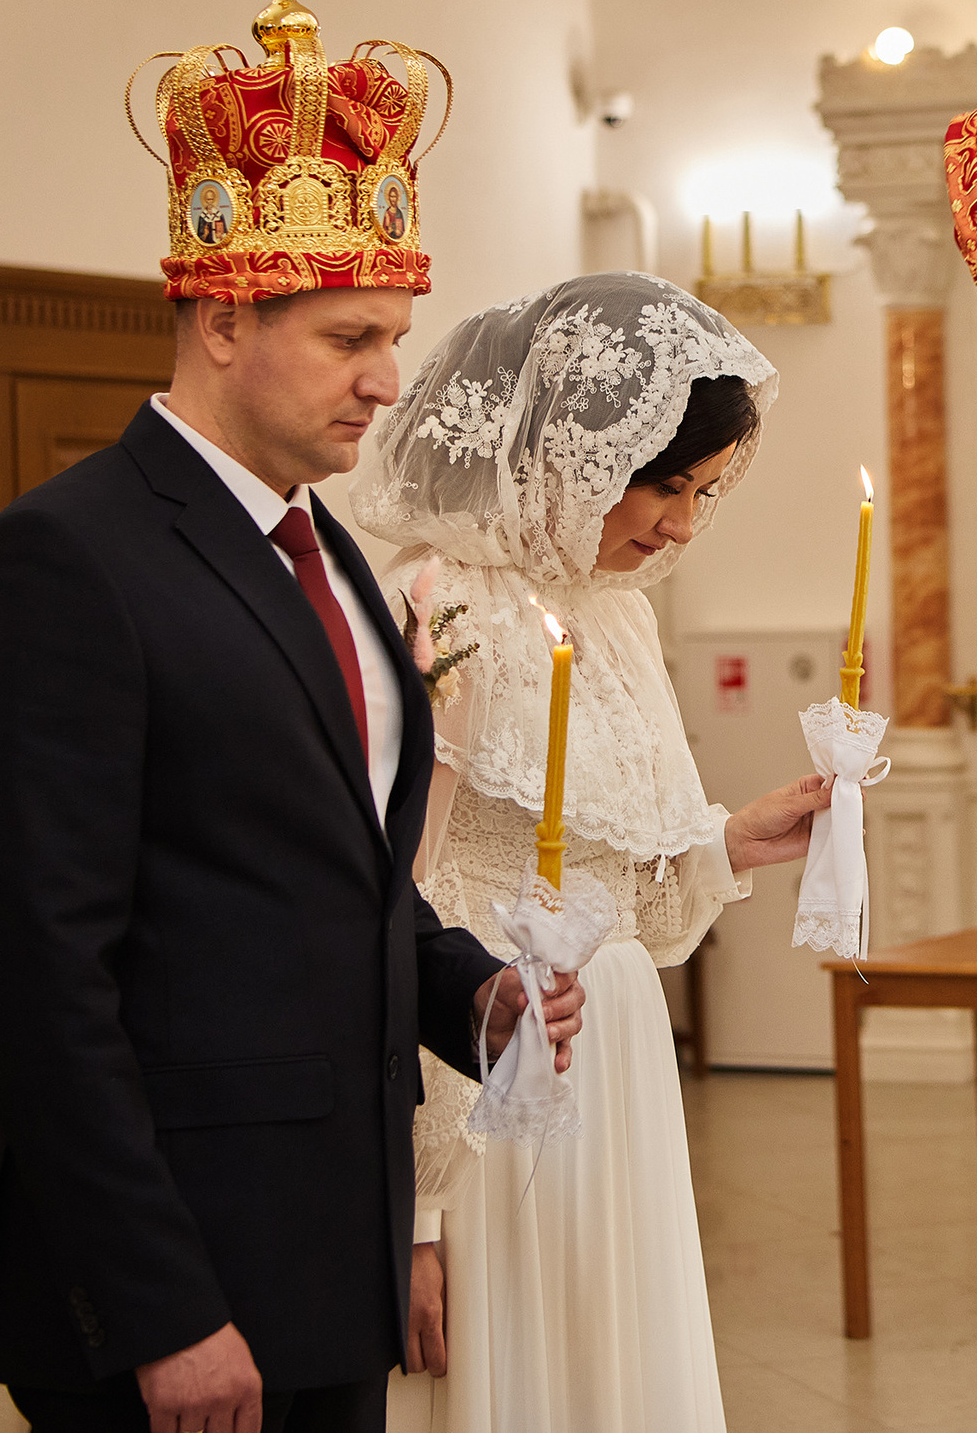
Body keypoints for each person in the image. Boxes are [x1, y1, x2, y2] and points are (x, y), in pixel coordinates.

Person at [0, 0, 578, 1433]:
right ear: (223, 321)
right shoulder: (64, 561)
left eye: (393, 341)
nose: (386, 380)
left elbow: (339, 875)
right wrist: (160, 1303)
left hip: (323, 1242)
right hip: (170, 1277)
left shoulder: (329, 550)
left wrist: (470, 994)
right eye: (351, 339)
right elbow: (40, 975)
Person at [355, 274, 832, 1433]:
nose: (681, 526)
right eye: (664, 485)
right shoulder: (440, 606)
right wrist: (418, 1206)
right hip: (492, 1068)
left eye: (702, 493)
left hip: (615, 1042)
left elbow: (621, 894)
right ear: (571, 450)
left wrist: (727, 841)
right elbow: (403, 904)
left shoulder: (615, 610)